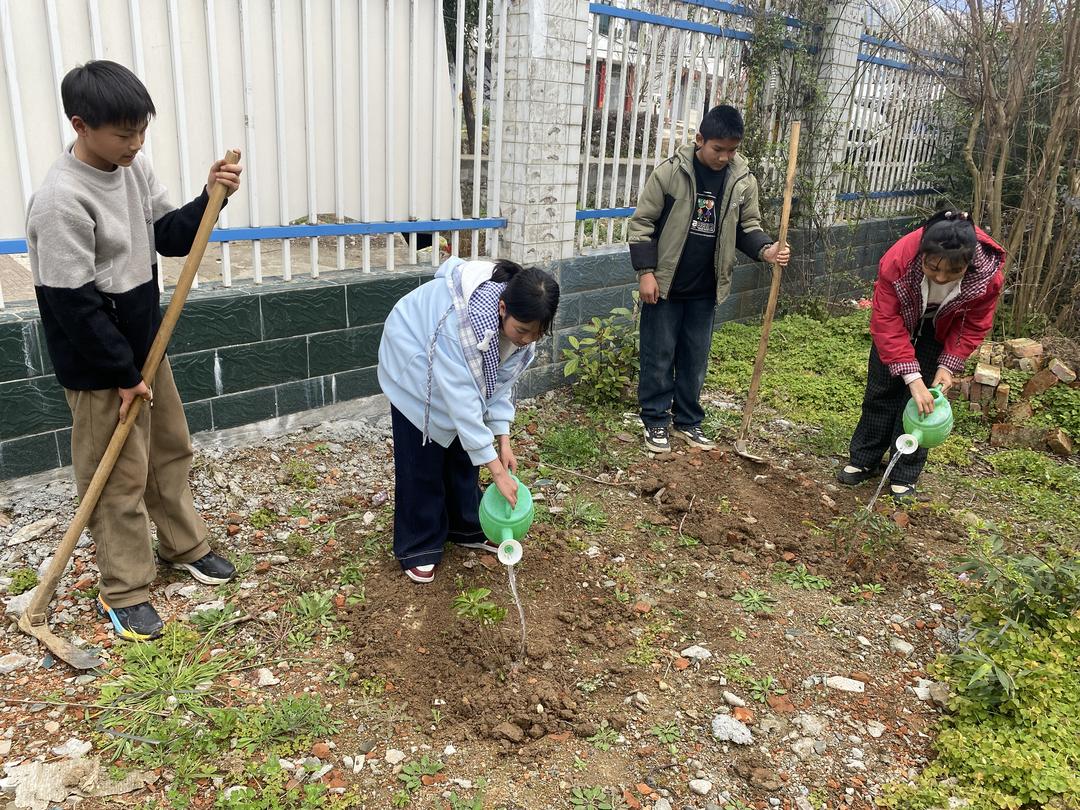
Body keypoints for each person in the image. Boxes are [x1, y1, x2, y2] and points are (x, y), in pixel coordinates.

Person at [25, 60, 243, 640]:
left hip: (148, 346)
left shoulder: (133, 167)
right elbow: (74, 307)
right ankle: (124, 588)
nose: (136, 143)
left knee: (169, 451)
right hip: (101, 367)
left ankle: (184, 545)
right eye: (124, 133)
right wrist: (121, 375)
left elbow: (170, 235)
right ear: (81, 125)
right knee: (115, 476)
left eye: (142, 130)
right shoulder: (59, 200)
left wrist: (210, 198)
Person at [378, 256, 559, 583]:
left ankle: (465, 525)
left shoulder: (520, 332)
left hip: (451, 372)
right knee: (424, 457)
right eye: (521, 331)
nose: (526, 340)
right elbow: (463, 403)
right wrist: (497, 473)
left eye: (535, 334)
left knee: (464, 453)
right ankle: (418, 543)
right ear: (502, 308)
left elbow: (499, 385)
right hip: (414, 357)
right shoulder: (460, 325)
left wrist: (502, 439)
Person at [628, 105, 791, 454]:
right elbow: (642, 225)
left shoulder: (743, 181)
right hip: (666, 286)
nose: (724, 157)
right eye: (718, 149)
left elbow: (748, 227)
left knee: (695, 358)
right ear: (700, 139)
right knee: (658, 355)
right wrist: (646, 274)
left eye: (732, 150)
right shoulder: (671, 174)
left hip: (706, 289)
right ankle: (655, 420)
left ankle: (688, 420)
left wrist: (766, 250)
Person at [838, 211, 1006, 498]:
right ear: (922, 254)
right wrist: (911, 377)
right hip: (899, 319)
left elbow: (973, 324)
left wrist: (949, 364)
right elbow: (885, 321)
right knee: (880, 390)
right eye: (933, 268)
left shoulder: (987, 277)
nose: (941, 278)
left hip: (939, 329)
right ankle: (864, 459)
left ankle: (903, 471)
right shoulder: (899, 261)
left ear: (969, 263)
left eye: (953, 272)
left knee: (923, 406)